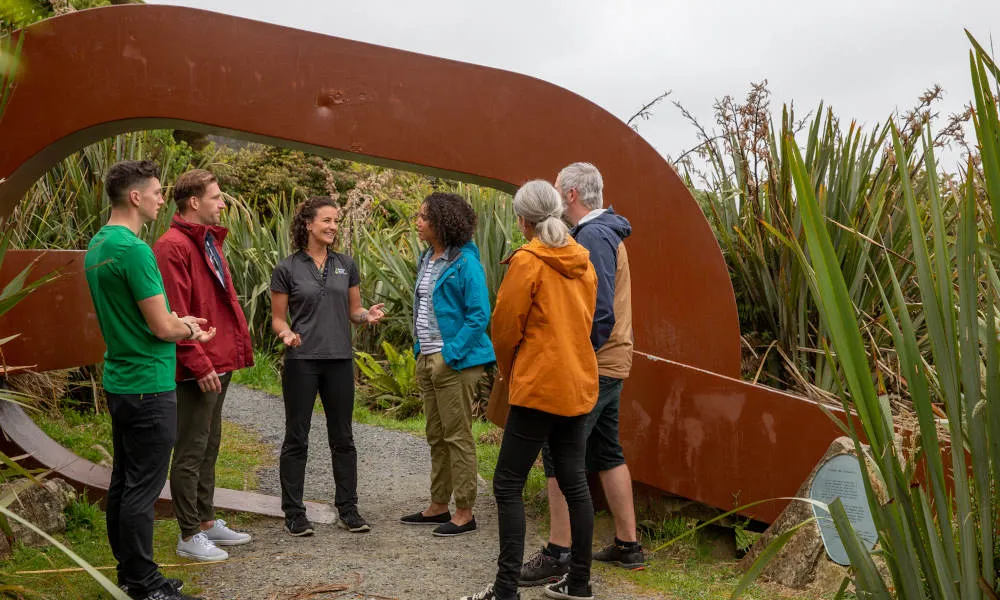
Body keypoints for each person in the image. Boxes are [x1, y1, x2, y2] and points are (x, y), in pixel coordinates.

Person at [461, 180, 598, 600]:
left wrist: (510, 370)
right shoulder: (583, 262)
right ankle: (579, 584)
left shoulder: (528, 261)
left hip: (539, 386)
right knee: (576, 482)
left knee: (507, 483)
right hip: (577, 384)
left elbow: (504, 329)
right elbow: (587, 322)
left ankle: (505, 591)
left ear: (522, 219)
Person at [85, 160, 215, 600]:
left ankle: (128, 572)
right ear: (135, 197)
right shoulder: (135, 250)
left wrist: (178, 319)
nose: (163, 199)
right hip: (149, 382)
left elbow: (140, 315)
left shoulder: (100, 244)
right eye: (158, 192)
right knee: (142, 489)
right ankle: (144, 583)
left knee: (124, 481)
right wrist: (189, 329)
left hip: (121, 380)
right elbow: (161, 328)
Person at [520, 162, 643, 588]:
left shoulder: (592, 235)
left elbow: (601, 311)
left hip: (597, 363)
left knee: (559, 454)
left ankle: (558, 552)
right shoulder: (608, 230)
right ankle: (628, 545)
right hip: (614, 361)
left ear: (571, 195)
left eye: (556, 189)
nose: (554, 196)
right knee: (607, 450)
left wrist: (575, 356)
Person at [153, 169, 254, 562]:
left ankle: (207, 521)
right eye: (216, 196)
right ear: (194, 202)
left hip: (218, 359)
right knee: (191, 448)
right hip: (199, 364)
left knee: (210, 443)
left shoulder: (208, 240)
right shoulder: (172, 247)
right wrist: (198, 363)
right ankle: (188, 533)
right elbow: (174, 313)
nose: (223, 203)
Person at [270, 196, 385, 537]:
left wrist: (368, 316)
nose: (334, 226)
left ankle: (348, 509)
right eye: (327, 220)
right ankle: (294, 513)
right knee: (296, 438)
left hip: (339, 361)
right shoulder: (287, 268)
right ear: (308, 224)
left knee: (344, 438)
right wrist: (287, 333)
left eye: (336, 221)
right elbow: (278, 319)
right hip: (302, 362)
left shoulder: (345, 264)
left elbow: (355, 310)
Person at [400, 192, 495, 537]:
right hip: (428, 357)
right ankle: (439, 505)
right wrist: (421, 352)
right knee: (436, 434)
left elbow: (479, 316)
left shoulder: (466, 263)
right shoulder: (429, 258)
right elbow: (424, 309)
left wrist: (448, 356)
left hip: (455, 361)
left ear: (442, 222)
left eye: (424, 216)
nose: (418, 221)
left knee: (457, 437)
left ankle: (465, 512)